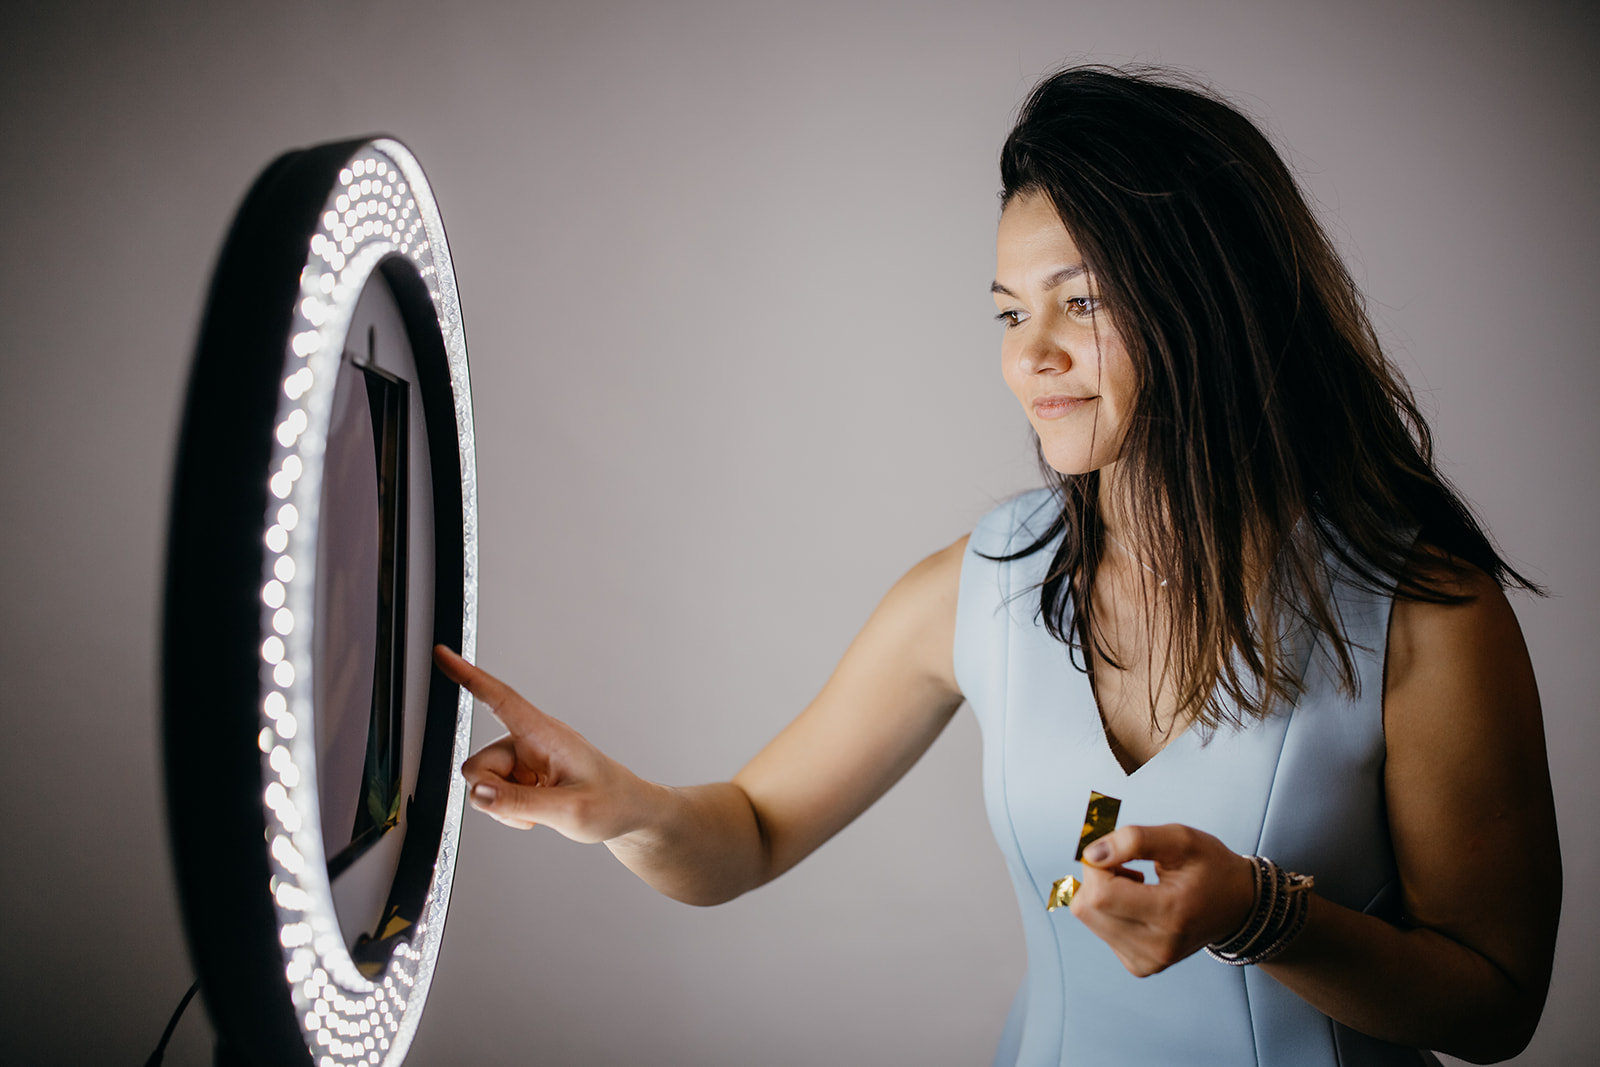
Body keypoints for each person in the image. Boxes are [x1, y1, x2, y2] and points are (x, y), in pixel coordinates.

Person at [433, 66, 1561, 1065]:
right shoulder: (976, 588)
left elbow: (1496, 1006)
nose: (1032, 356)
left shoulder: (1426, 614)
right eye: (1009, 312)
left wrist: (1265, 915)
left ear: (1211, 303)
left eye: (1082, 301)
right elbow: (749, 831)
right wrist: (616, 803)